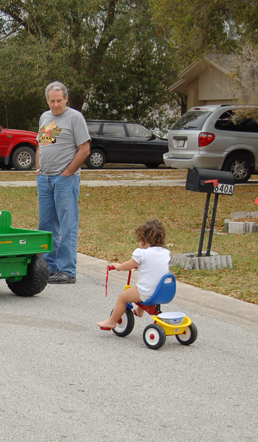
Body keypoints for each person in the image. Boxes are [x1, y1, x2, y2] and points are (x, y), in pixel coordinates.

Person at [37, 81, 91, 284]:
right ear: (47, 100)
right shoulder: (45, 117)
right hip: (45, 178)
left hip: (65, 180)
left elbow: (84, 149)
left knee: (67, 224)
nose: (56, 104)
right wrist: (38, 169)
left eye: (59, 100)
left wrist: (67, 173)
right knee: (46, 225)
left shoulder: (75, 117)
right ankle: (50, 267)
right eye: (52, 100)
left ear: (66, 99)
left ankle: (67, 270)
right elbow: (41, 143)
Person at [97, 219, 171, 329]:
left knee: (123, 297)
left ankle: (112, 321)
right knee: (146, 287)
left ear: (143, 240)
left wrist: (117, 266)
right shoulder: (166, 252)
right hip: (162, 291)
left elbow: (128, 266)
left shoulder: (142, 253)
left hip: (147, 292)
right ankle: (140, 310)